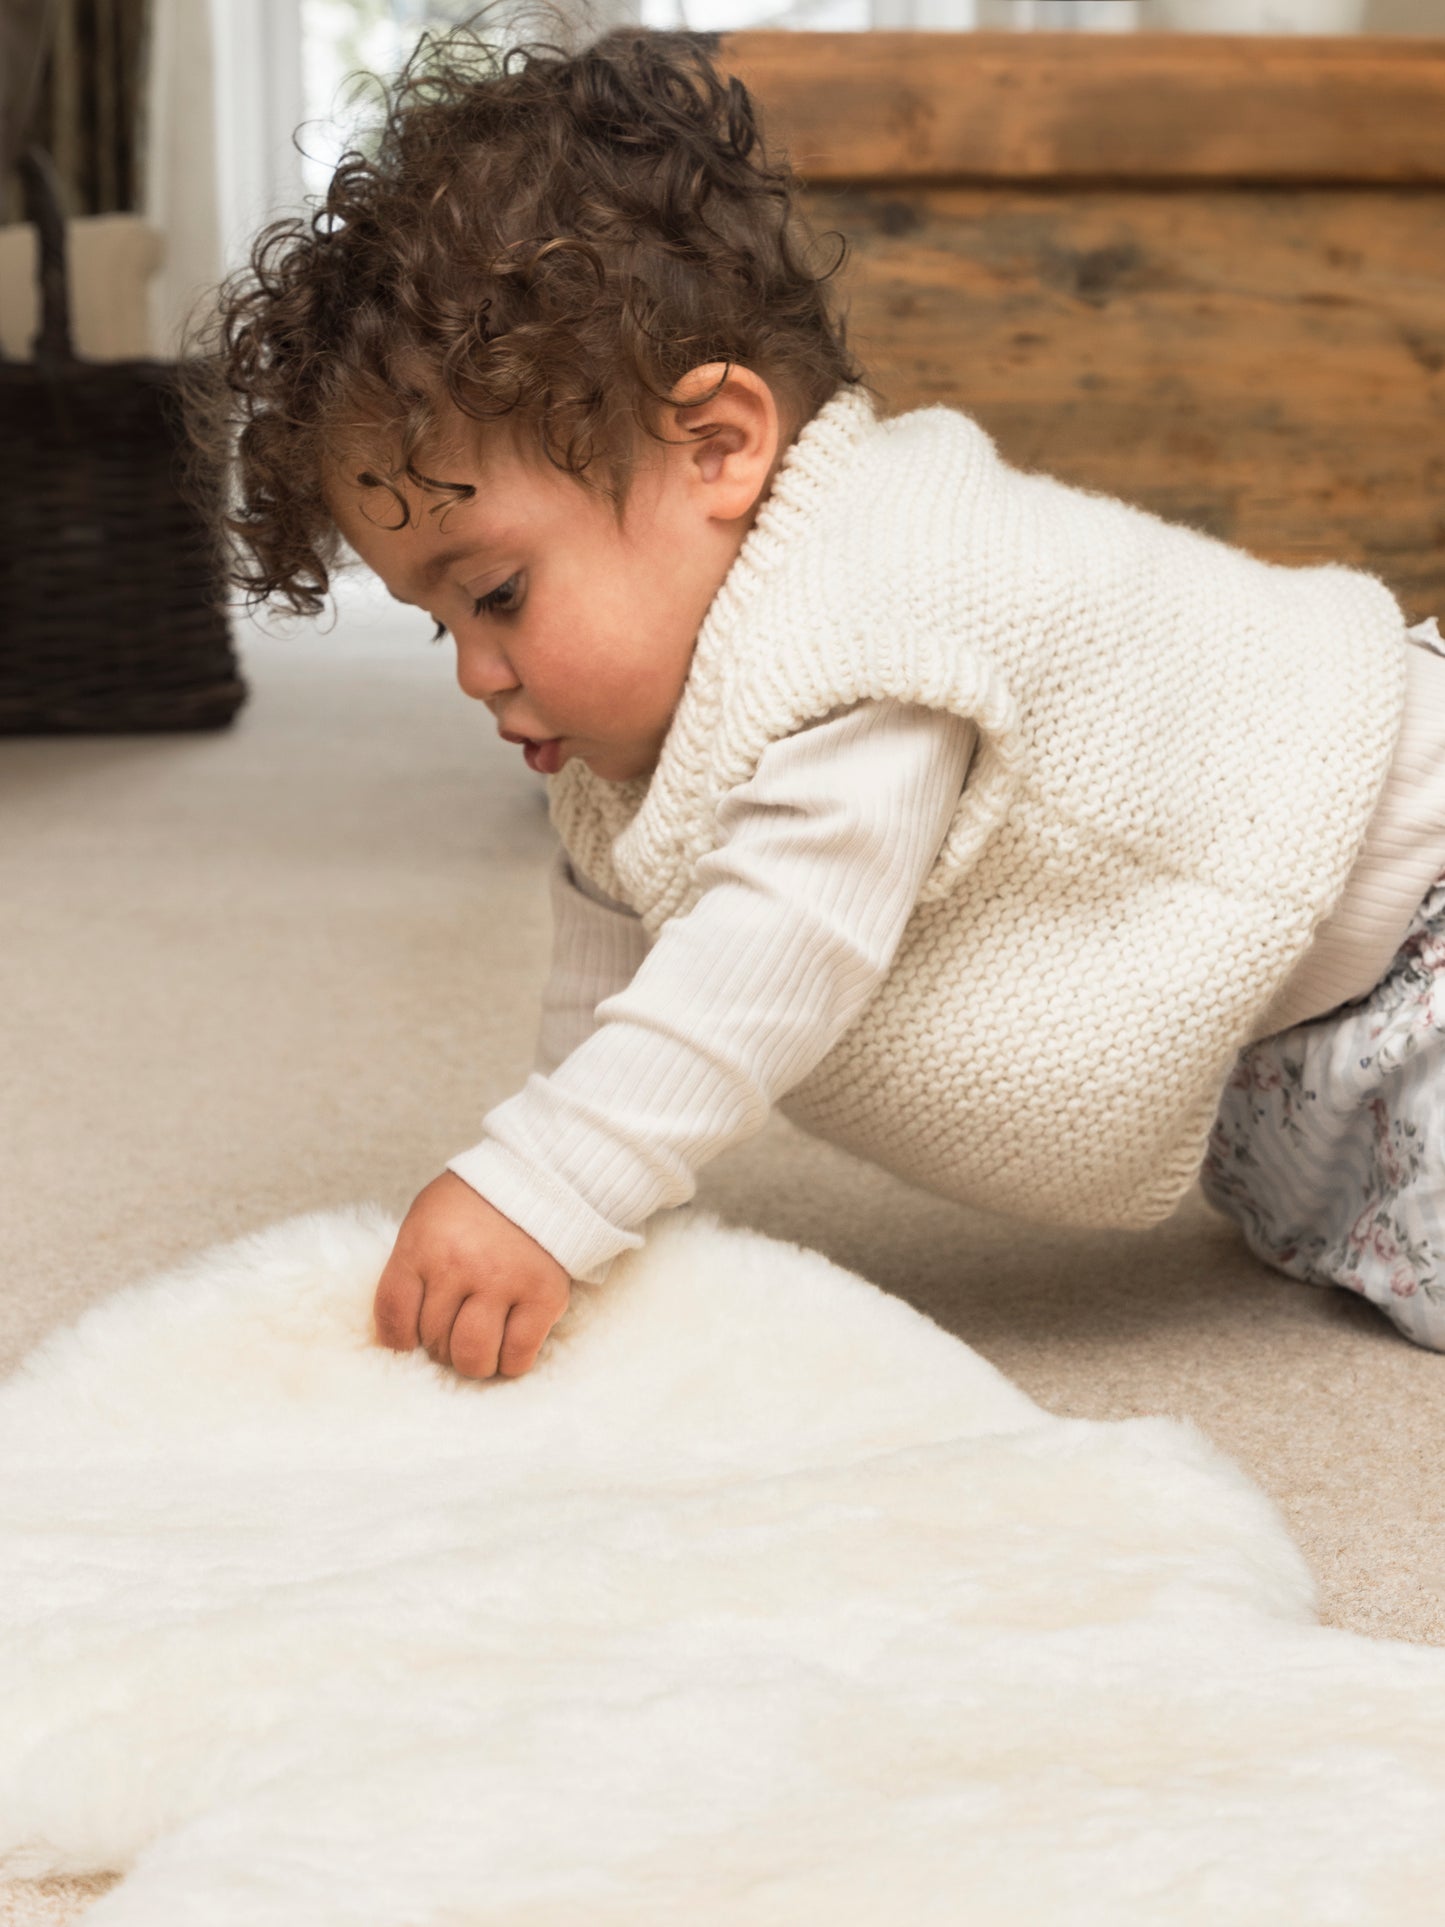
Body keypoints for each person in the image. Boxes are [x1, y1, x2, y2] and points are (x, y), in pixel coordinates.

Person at [181, 10, 1445, 1380]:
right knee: (1344, 1230)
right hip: (1301, 1015)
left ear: (715, 448)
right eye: (439, 628)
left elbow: (779, 942)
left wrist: (541, 1188)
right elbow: (611, 1007)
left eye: (494, 596)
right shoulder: (634, 758)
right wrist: (571, 1197)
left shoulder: (873, 609)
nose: (480, 672)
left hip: (1421, 899)